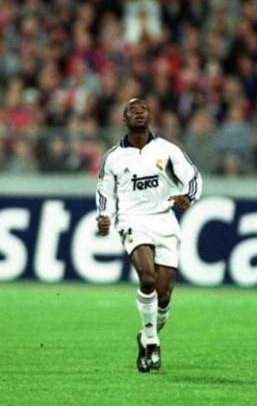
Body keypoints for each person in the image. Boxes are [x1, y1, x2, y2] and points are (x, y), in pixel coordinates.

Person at [96, 98, 202, 373]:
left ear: (150, 116)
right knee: (147, 278)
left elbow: (193, 177)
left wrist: (189, 197)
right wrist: (104, 216)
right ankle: (153, 343)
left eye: (143, 109)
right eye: (133, 110)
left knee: (163, 296)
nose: (139, 112)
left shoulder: (167, 149)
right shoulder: (113, 158)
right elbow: (105, 192)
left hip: (164, 220)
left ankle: (145, 335)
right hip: (132, 220)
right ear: (124, 119)